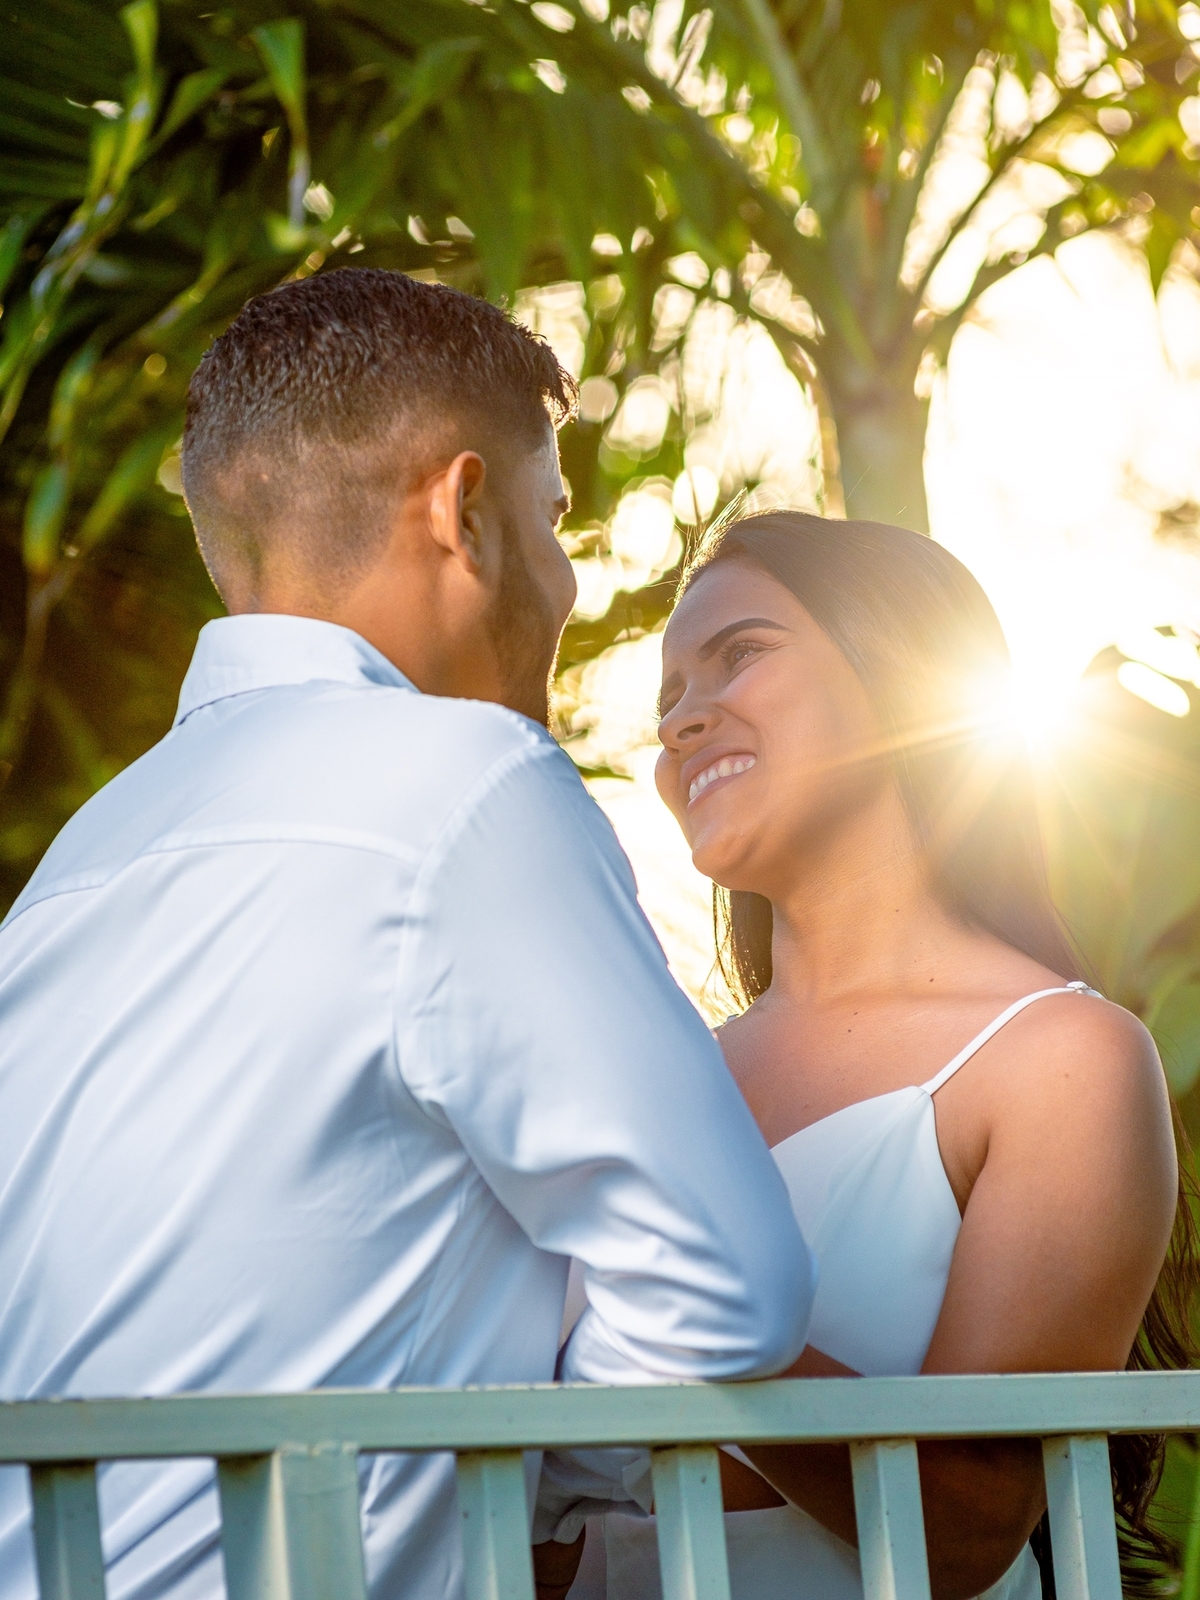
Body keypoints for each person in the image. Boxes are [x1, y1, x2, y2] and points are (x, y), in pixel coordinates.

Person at [0, 272, 816, 1600]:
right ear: (465, 508)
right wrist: (537, 1479)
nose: (560, 576)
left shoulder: (80, 860)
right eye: (556, 518)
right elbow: (728, 1289)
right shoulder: (468, 783)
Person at [543, 511, 1197, 1600]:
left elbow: (971, 1520)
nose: (682, 722)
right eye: (667, 701)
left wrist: (704, 1311)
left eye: (739, 655)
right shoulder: (661, 1077)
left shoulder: (1063, 1057)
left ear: (899, 668)